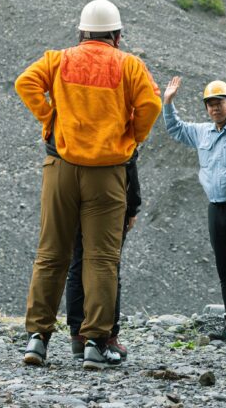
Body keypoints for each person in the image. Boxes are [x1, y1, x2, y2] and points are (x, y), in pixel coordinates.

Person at [16, 0, 162, 371]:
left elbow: (25, 82)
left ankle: (38, 339)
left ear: (81, 32)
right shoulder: (129, 64)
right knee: (101, 259)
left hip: (61, 167)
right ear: (117, 35)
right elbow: (150, 105)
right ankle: (95, 343)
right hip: (108, 174)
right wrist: (132, 135)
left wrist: (50, 118)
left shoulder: (59, 58)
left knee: (52, 254)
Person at [163, 75, 226, 343]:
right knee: (225, 268)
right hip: (216, 209)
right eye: (209, 104)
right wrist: (168, 102)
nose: (214, 108)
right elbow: (175, 129)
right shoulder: (201, 132)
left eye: (218, 102)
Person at [65, 151, 140, 361]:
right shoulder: (113, 127)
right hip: (109, 197)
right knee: (107, 265)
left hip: (75, 196)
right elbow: (129, 163)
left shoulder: (73, 132)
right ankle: (105, 338)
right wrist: (133, 207)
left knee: (77, 265)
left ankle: (78, 336)